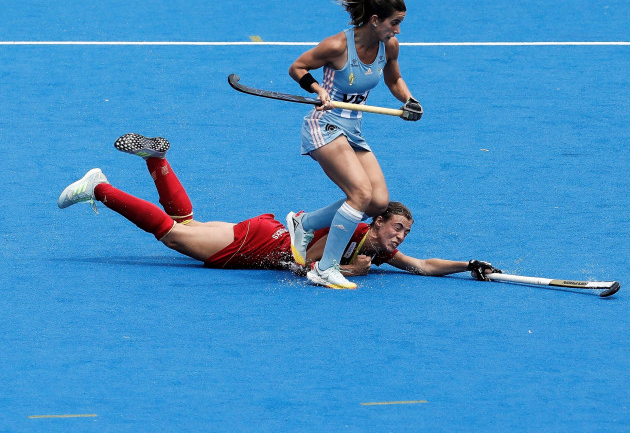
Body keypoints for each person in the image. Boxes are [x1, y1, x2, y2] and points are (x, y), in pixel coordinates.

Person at [57, 134, 500, 288]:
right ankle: (100, 188)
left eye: (404, 233)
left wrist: (468, 265)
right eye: (397, 228)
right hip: (260, 243)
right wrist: (355, 272)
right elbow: (306, 267)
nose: (400, 239)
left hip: (262, 231)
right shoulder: (355, 234)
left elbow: (422, 266)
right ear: (377, 221)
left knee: (186, 224)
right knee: (176, 237)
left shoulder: (378, 248)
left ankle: (157, 160)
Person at [286, 0, 423, 289]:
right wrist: (318, 89)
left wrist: (409, 100)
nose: (398, 30)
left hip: (352, 129)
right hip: (324, 125)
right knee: (360, 194)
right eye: (394, 23)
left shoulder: (389, 46)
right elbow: (298, 67)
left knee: (377, 202)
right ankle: (326, 268)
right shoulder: (337, 46)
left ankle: (304, 223)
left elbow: (394, 78)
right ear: (375, 20)